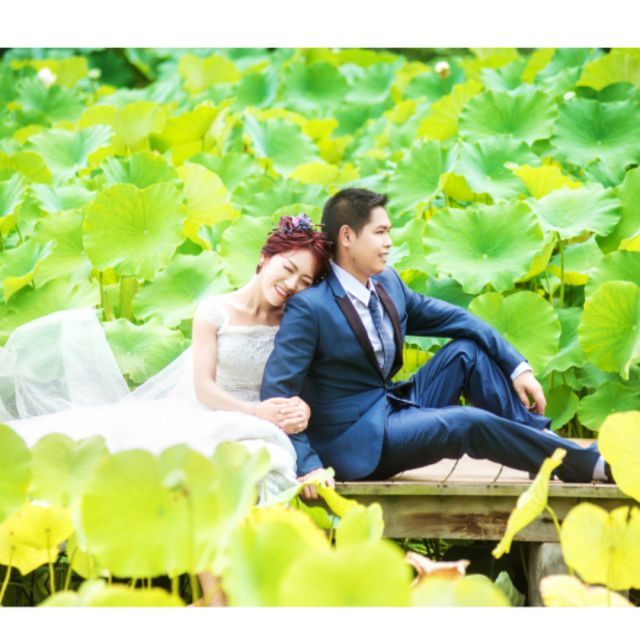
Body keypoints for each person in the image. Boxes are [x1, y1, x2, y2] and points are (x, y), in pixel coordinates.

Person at [260, 188, 613, 499]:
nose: (389, 242)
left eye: (389, 232)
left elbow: (458, 319)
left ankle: (548, 450)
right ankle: (588, 463)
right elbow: (277, 392)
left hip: (392, 406)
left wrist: (516, 366)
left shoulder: (388, 283)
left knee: (467, 353)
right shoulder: (311, 307)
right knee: (465, 422)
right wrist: (309, 465)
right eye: (380, 232)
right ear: (347, 236)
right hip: (357, 442)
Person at [0, 214, 332, 503]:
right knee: (117, 451)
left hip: (265, 425)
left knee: (259, 466)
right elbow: (204, 388)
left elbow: (302, 381)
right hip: (211, 412)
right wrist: (256, 412)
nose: (291, 284)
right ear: (265, 257)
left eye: (304, 282)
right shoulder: (215, 311)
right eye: (288, 269)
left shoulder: (296, 322)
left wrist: (302, 408)